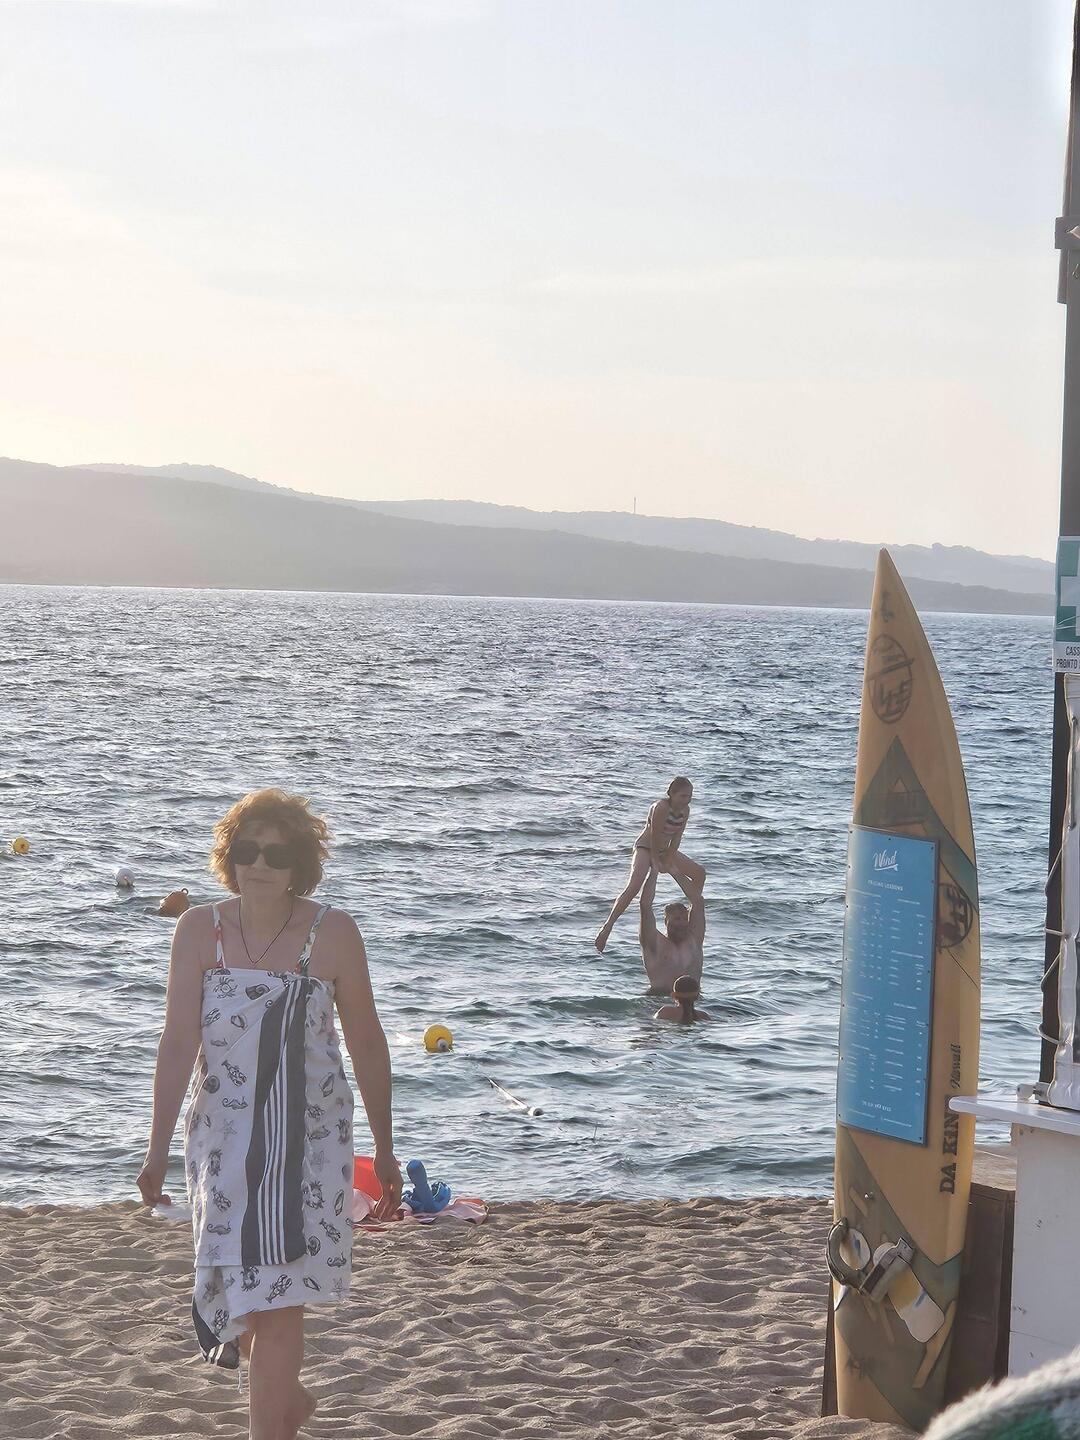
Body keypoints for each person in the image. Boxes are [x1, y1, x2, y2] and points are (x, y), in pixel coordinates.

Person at [136, 788, 401, 1440]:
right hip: (222, 1143)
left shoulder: (331, 933)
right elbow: (177, 1043)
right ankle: (287, 1401)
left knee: (279, 1303)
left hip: (306, 1145)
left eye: (277, 855)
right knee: (245, 1294)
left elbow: (367, 1041)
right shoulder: (199, 931)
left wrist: (386, 1146)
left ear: (299, 864)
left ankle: (271, 1426)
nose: (260, 864)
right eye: (248, 850)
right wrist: (155, 1149)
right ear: (230, 856)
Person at [594, 777, 705, 953]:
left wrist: (669, 858)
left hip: (664, 850)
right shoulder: (661, 807)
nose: (687, 800)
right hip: (646, 848)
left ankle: (690, 923)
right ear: (671, 794)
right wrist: (654, 860)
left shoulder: (685, 811)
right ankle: (607, 927)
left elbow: (677, 837)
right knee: (634, 885)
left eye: (690, 796)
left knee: (699, 874)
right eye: (683, 796)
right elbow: (654, 835)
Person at [637, 863, 706, 997]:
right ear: (666, 922)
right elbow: (645, 905)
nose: (682, 924)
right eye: (676, 919)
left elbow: (697, 901)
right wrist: (654, 871)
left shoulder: (694, 940)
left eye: (684, 919)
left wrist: (674, 870)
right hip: (659, 999)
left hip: (693, 1001)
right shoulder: (654, 943)